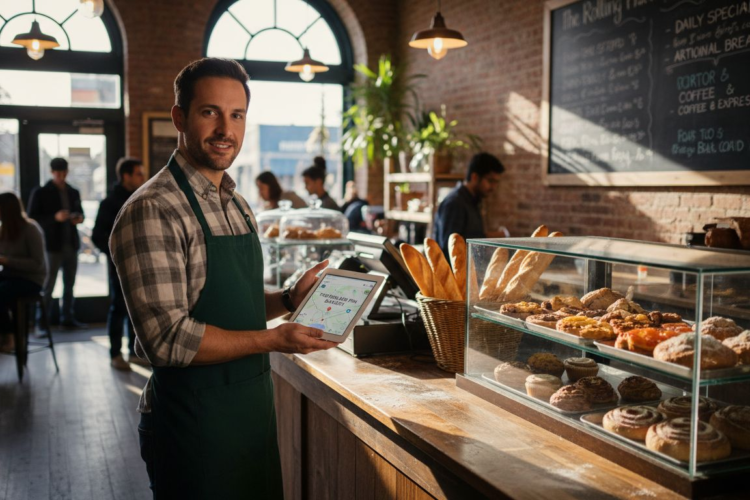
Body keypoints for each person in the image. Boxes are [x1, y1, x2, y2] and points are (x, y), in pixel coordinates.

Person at [109, 57, 335, 499]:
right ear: (180, 117)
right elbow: (168, 339)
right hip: (192, 424)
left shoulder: (236, 201)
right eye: (209, 112)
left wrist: (288, 299)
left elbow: (240, 304)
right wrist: (274, 340)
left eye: (237, 115)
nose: (225, 129)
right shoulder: (152, 210)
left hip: (250, 416)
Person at [92, 158, 147, 371]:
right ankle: (115, 354)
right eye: (138, 174)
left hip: (142, 263)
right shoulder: (109, 203)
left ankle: (134, 352)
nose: (143, 177)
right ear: (126, 176)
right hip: (120, 266)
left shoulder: (141, 197)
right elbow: (98, 236)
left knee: (138, 308)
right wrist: (118, 254)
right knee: (119, 308)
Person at [27, 157, 85, 329]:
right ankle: (41, 323)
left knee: (69, 285)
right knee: (48, 286)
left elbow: (80, 213)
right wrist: (54, 218)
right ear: (52, 172)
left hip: (71, 244)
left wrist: (78, 218)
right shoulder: (41, 192)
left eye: (64, 172)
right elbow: (32, 219)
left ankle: (67, 319)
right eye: (58, 172)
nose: (61, 176)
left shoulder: (73, 191)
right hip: (52, 246)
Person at [433, 152, 506, 256]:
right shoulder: (455, 203)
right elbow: (450, 247)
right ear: (475, 177)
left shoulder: (473, 199)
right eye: (490, 181)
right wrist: (487, 237)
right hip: (454, 271)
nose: (493, 187)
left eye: (496, 182)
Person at [0, 192, 47, 353]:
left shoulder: (30, 229)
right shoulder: (3, 230)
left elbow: (38, 264)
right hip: (10, 276)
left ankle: (10, 336)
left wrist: (7, 261)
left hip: (31, 279)